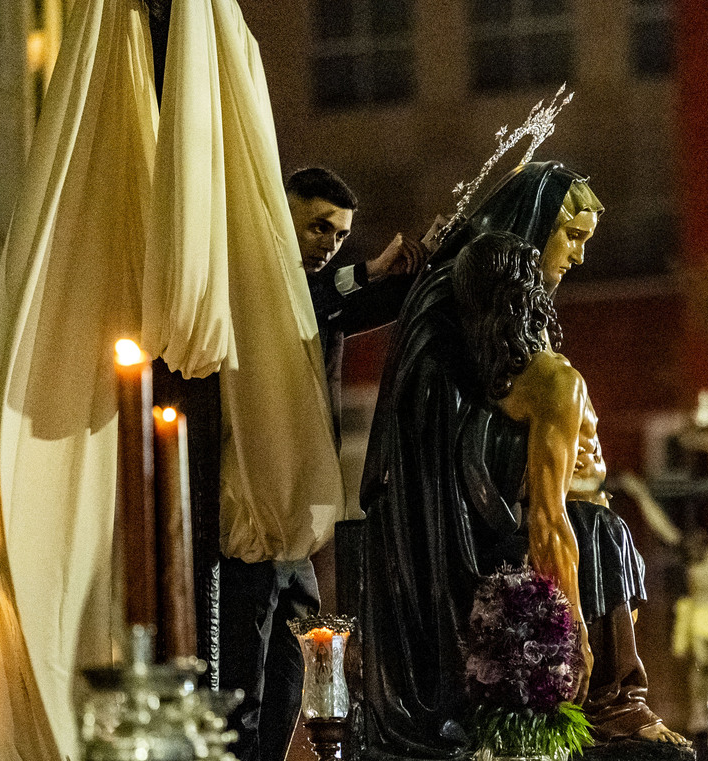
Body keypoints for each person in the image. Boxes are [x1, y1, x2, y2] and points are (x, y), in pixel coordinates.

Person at [359, 161, 687, 759]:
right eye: (574, 238)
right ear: (534, 236)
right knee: (603, 533)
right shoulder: (542, 378)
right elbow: (544, 515)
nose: (579, 258)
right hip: (519, 542)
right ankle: (617, 702)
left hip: (508, 542)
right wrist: (573, 634)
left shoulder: (494, 360)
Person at [220, 166, 428, 761]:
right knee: (244, 682)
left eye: (338, 236)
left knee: (292, 678)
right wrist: (366, 271)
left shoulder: (320, 296)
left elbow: (360, 305)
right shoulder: (257, 283)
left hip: (298, 520)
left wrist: (430, 261)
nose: (327, 244)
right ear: (283, 217)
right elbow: (302, 301)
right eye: (317, 228)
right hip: (252, 514)